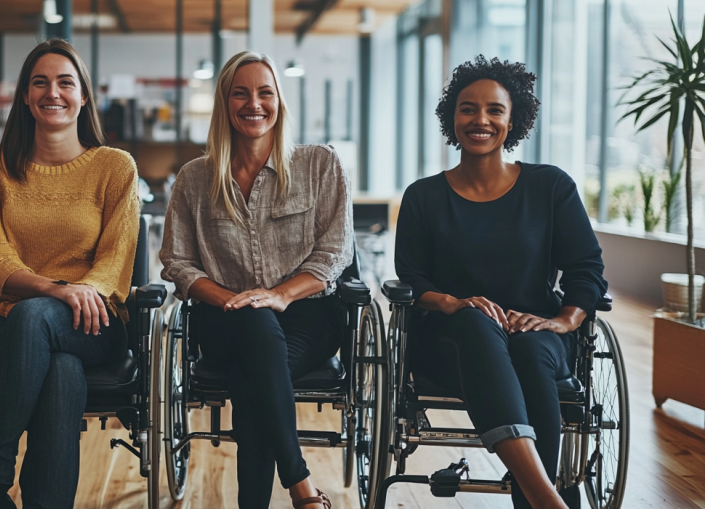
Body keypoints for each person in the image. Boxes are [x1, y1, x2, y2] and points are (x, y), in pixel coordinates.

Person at [394, 56, 607, 509]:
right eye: (468, 108)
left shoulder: (550, 187)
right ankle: (547, 499)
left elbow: (586, 266)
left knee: (529, 348)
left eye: (494, 109)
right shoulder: (423, 197)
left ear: (514, 120)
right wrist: (450, 302)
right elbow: (411, 279)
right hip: (450, 339)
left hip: (537, 332)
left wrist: (565, 321)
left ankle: (536, 498)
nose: (481, 120)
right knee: (475, 321)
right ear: (452, 117)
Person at [160, 51, 354, 509]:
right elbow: (178, 262)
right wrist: (232, 299)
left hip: (308, 314)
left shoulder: (319, 165)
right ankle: (300, 484)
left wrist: (279, 295)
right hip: (224, 315)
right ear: (224, 104)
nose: (254, 103)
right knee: (255, 329)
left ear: (279, 102)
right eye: (240, 93)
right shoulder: (194, 178)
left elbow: (336, 251)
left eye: (265, 92)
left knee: (257, 372)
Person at [0, 38, 140, 509]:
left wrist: (79, 294)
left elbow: (116, 263)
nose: (52, 92)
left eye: (65, 82)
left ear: (83, 97)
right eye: (40, 82)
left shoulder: (114, 167)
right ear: (24, 96)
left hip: (94, 322)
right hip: (5, 322)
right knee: (59, 367)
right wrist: (56, 290)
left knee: (39, 319)